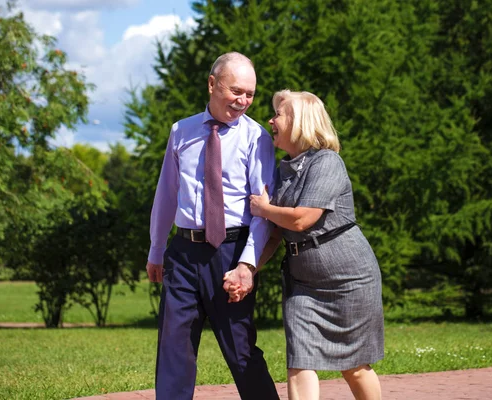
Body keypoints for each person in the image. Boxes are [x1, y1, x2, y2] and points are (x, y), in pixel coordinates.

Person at [228, 89, 385, 399]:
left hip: (349, 279)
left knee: (353, 364)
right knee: (299, 359)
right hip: (303, 283)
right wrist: (249, 270)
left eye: (278, 114)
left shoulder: (328, 162)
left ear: (299, 122)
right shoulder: (283, 170)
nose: (270, 120)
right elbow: (275, 234)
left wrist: (263, 208)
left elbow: (302, 220)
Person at [146, 51, 279, 399]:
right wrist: (156, 250)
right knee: (173, 348)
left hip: (231, 253)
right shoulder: (181, 131)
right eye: (236, 91)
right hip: (184, 253)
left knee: (240, 349)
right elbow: (166, 194)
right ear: (211, 84)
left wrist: (248, 265)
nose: (244, 101)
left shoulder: (257, 137)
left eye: (250, 93)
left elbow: (262, 210)